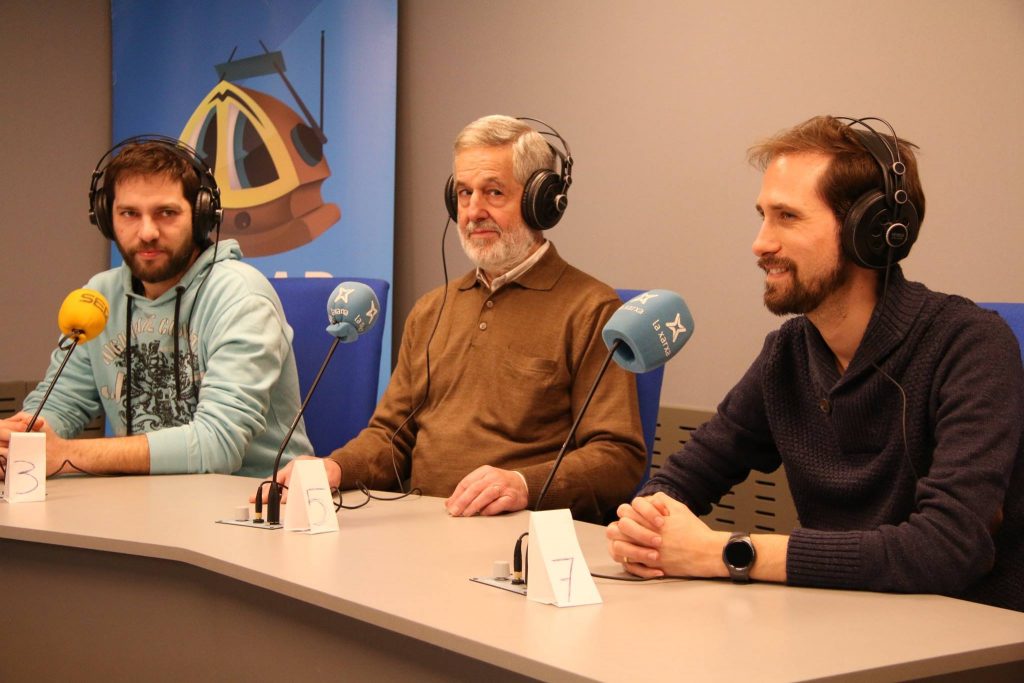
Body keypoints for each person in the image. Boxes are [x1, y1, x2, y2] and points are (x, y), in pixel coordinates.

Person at [606, 115, 1023, 612]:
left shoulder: (970, 345)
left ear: (872, 231)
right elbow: (684, 476)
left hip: (965, 637)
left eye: (788, 216)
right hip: (837, 620)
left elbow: (947, 548)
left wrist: (726, 552)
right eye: (762, 215)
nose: (760, 243)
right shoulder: (788, 354)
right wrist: (647, 526)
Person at [270, 115, 646, 522]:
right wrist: (336, 468)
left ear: (541, 200)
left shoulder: (591, 309)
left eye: (494, 192)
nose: (472, 211)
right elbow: (390, 438)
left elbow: (617, 458)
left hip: (518, 537)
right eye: (464, 193)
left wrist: (523, 484)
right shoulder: (432, 309)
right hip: (418, 530)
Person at [0, 138, 312, 479]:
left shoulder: (241, 297)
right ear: (106, 218)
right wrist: (19, 441)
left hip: (250, 506)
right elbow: (57, 407)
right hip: (140, 505)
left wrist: (66, 454)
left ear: (201, 214)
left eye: (166, 213)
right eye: (129, 214)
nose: (147, 233)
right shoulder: (98, 298)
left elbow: (218, 444)